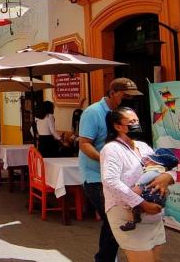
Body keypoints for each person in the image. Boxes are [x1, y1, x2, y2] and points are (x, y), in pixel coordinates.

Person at [78, 77, 143, 262]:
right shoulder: (93, 113)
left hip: (120, 177)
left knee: (116, 220)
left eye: (132, 96)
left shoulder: (126, 114)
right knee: (114, 219)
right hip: (96, 177)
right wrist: (107, 161)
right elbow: (84, 143)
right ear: (113, 93)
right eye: (125, 95)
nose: (129, 99)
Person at [101, 107, 176, 261]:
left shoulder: (143, 146)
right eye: (131, 122)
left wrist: (167, 177)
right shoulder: (112, 149)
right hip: (127, 214)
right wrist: (141, 203)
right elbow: (110, 181)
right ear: (118, 126)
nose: (136, 124)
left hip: (153, 217)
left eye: (137, 120)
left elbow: (165, 166)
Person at [119, 148, 178, 231]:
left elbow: (146, 178)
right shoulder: (161, 170)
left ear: (157, 163)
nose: (146, 162)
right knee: (138, 205)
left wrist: (138, 185)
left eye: (150, 160)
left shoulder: (154, 170)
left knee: (131, 202)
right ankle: (136, 216)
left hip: (151, 194)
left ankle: (131, 221)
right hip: (157, 197)